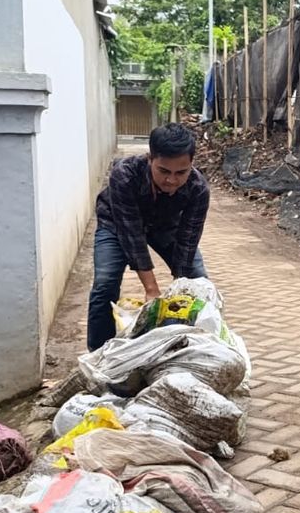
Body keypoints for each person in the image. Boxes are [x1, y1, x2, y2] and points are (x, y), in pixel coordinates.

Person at [87, 123, 210, 350]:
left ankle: (197, 346)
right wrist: (151, 289)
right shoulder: (124, 175)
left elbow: (188, 238)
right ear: (150, 158)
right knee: (105, 284)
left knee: (198, 280)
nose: (172, 180)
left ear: (191, 164)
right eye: (164, 171)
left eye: (180, 172)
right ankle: (100, 354)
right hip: (117, 224)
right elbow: (131, 235)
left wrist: (180, 287)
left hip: (164, 227)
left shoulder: (198, 187)